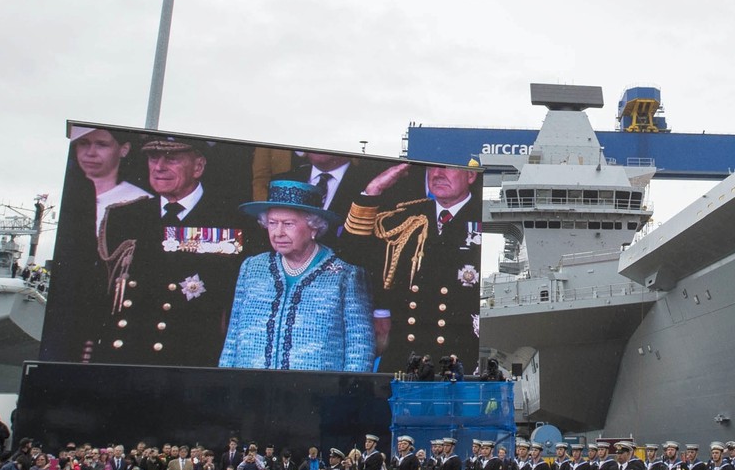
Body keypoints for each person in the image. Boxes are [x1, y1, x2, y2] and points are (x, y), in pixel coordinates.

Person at [99, 137, 253, 367]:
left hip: (190, 361)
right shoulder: (123, 218)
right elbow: (101, 292)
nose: (159, 167)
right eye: (153, 158)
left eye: (172, 159)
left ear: (198, 166)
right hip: (125, 356)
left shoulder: (233, 220)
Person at [216, 181, 374, 372]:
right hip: (251, 390)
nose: (278, 233)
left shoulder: (346, 273)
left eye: (288, 224)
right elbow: (233, 337)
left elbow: (359, 346)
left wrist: (347, 393)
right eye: (272, 223)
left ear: (314, 227)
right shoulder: (252, 267)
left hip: (317, 395)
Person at [345, 162, 484, 369]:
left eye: (447, 168)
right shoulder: (409, 217)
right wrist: (373, 191)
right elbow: (351, 253)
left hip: (461, 359)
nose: (437, 174)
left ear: (471, 176)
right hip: (407, 357)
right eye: (432, 168)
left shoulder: (485, 217)